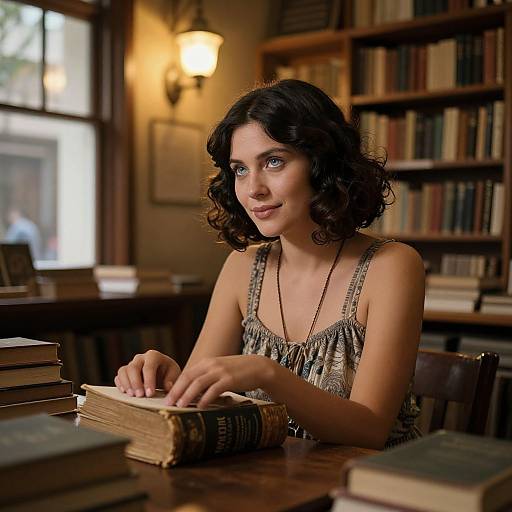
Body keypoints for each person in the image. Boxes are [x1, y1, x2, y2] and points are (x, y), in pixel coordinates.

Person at [115, 80, 425, 449]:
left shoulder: (392, 267)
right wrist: (168, 377)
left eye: (273, 162)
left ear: (323, 164)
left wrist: (269, 373)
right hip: (269, 481)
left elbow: (368, 430)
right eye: (240, 170)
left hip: (368, 488)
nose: (253, 189)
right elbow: (200, 388)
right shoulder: (242, 267)